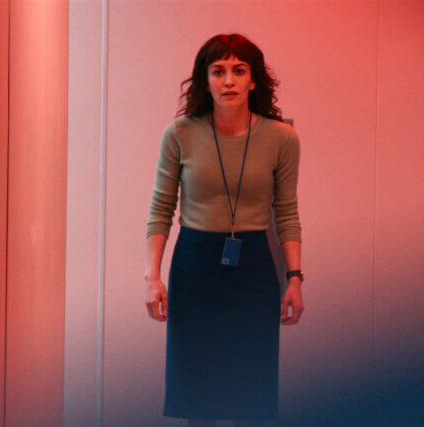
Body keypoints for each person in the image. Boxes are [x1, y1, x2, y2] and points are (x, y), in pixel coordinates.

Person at [142, 33, 305, 426]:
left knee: (251, 394)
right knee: (199, 398)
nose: (228, 80)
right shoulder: (179, 134)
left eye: (239, 70)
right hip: (195, 266)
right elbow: (161, 209)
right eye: (218, 71)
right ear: (206, 79)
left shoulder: (281, 137)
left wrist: (295, 278)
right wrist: (153, 276)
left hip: (253, 268)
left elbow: (286, 212)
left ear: (254, 80)